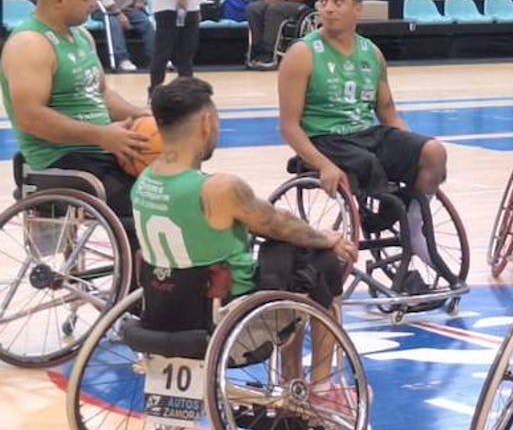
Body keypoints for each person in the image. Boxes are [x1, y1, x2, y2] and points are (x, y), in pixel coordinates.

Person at [131, 77, 357, 406]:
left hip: (161, 314)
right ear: (206, 123)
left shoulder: (143, 183)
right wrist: (328, 238)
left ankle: (294, 380)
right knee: (319, 263)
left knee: (288, 262)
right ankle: (320, 389)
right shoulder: (219, 188)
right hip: (227, 323)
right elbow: (280, 225)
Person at [278, 0, 448, 253]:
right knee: (367, 163)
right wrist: (324, 165)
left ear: (358, 8)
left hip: (366, 134)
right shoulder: (302, 53)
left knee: (433, 152)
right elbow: (289, 127)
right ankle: (384, 216)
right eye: (322, 2)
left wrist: (413, 149)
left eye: (337, 1)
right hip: (326, 138)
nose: (328, 8)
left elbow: (388, 114)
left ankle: (413, 225)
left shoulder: (372, 53)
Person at [0, 0, 150, 244]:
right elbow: (29, 117)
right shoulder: (29, 43)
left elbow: (102, 93)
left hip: (99, 153)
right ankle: (145, 284)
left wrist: (139, 114)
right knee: (151, 205)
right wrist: (102, 136)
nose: (93, 4)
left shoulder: (82, 37)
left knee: (174, 181)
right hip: (63, 161)